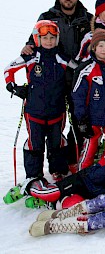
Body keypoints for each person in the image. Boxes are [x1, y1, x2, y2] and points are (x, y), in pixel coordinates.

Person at [21, 0, 93, 173]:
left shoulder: (88, 18)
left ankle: (74, 161)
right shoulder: (47, 16)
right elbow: (34, 41)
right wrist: (27, 47)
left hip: (79, 80)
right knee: (53, 126)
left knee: (78, 123)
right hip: (54, 82)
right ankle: (46, 168)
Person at [4, 20, 70, 183]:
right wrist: (13, 87)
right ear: (37, 38)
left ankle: (58, 171)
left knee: (57, 142)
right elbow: (8, 70)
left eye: (52, 37)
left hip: (57, 110)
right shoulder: (30, 56)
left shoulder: (62, 58)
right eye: (45, 37)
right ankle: (34, 175)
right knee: (35, 143)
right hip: (34, 111)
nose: (49, 41)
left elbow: (79, 69)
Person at [24, 129, 105, 209]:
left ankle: (49, 203)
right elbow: (95, 176)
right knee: (49, 193)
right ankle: (30, 186)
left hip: (94, 195)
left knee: (74, 207)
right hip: (84, 181)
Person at [72, 29, 105, 170]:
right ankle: (82, 178)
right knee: (89, 153)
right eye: (101, 46)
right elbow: (78, 96)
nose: (104, 49)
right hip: (93, 121)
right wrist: (82, 120)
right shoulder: (86, 69)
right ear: (94, 47)